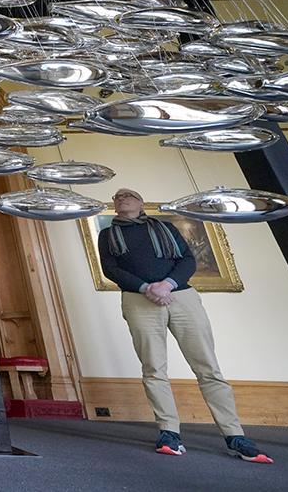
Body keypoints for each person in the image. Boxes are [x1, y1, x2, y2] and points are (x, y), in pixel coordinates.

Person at [98, 188, 272, 464]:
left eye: (128, 195)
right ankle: (169, 432)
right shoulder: (108, 234)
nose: (122, 198)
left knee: (208, 367)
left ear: (141, 203)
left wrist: (166, 285)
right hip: (138, 300)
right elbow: (111, 269)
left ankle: (234, 434)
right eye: (117, 196)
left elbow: (187, 260)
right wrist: (146, 288)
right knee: (154, 368)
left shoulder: (165, 228)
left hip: (181, 297)